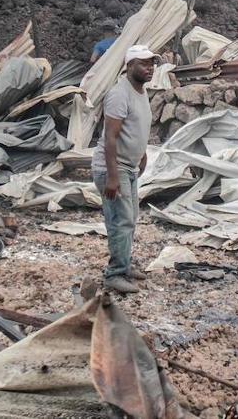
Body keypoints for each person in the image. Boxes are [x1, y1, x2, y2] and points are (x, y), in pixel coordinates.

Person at [91, 44, 159, 294]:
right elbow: (110, 137)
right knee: (122, 221)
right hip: (112, 167)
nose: (149, 68)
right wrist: (112, 176)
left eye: (152, 63)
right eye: (143, 63)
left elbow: (138, 129)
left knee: (129, 219)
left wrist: (142, 155)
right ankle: (115, 274)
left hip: (128, 166)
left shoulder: (140, 92)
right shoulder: (120, 94)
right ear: (129, 66)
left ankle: (124, 265)